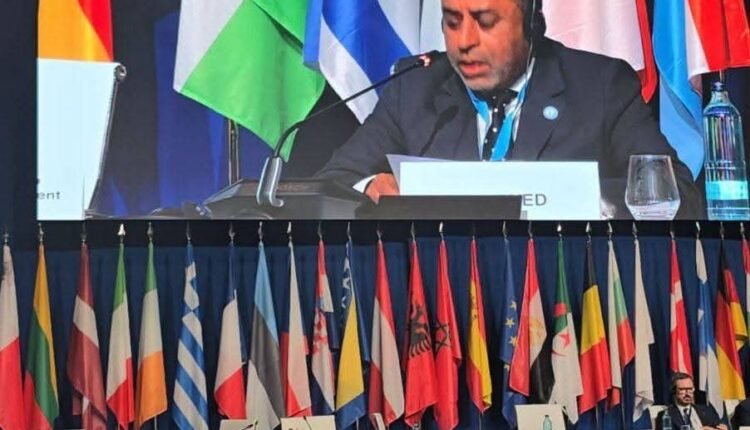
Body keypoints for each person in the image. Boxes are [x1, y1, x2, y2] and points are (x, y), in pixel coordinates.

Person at [317, 0, 703, 218]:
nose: (464, 42)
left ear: (532, 24)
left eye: (485, 22)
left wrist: (574, 196)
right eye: (452, 22)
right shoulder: (416, 88)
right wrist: (371, 185)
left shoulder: (599, 86)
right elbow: (331, 182)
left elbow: (678, 194)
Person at [655, 373, 726, 430]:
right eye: (682, 389)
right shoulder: (665, 415)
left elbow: (720, 427)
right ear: (674, 391)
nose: (687, 393)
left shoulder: (707, 410)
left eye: (690, 389)